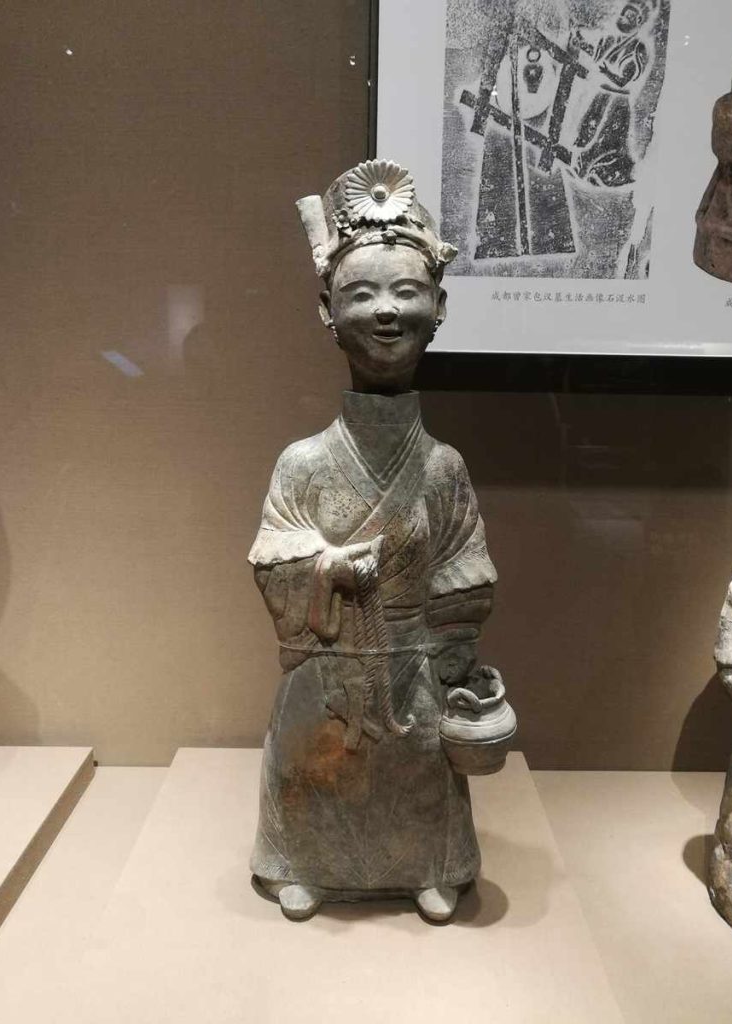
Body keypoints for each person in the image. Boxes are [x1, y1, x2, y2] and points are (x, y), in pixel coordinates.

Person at [248, 160, 502, 922]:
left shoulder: (443, 467)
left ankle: (427, 865)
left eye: (406, 291)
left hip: (413, 672)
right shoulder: (303, 463)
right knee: (315, 760)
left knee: (418, 768)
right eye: (360, 294)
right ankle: (305, 863)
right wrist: (327, 565)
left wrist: (451, 656)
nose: (386, 311)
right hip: (328, 670)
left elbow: (468, 570)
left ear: (438, 307)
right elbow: (270, 557)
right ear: (327, 311)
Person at [570, 0, 657, 187]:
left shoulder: (638, 47)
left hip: (618, 100)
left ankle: (603, 174)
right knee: (589, 131)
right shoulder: (610, 39)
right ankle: (582, 169)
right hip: (601, 96)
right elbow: (597, 56)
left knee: (606, 139)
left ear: (638, 21)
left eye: (630, 16)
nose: (625, 18)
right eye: (624, 14)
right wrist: (580, 41)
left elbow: (624, 79)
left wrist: (607, 72)